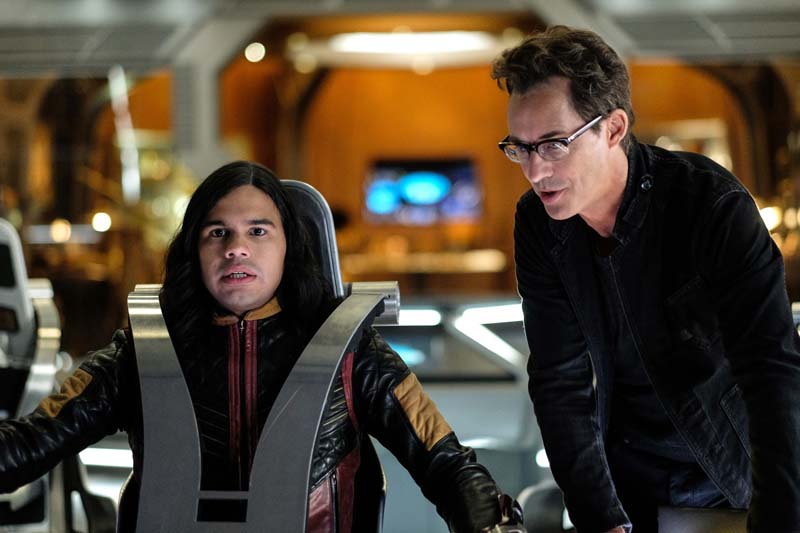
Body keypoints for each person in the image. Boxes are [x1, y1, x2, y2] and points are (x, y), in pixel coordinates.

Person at [0, 161, 523, 533]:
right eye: (217, 232)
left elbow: (447, 466)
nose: (236, 248)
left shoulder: (350, 351)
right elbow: (27, 445)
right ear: (194, 249)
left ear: (288, 246)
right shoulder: (140, 354)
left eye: (257, 231)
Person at [491, 25, 800, 533]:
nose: (534, 170)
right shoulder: (539, 224)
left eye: (553, 144)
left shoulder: (710, 205)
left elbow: (771, 371)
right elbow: (559, 381)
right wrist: (599, 517)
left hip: (735, 473)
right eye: (520, 148)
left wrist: (779, 518)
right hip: (628, 483)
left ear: (613, 128)